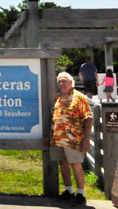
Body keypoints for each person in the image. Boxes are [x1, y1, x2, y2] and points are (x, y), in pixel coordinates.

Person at [50, 72, 93, 205]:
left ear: (71, 83)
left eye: (64, 81)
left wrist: (86, 140)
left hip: (73, 140)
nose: (62, 84)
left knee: (76, 165)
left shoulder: (79, 98)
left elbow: (88, 118)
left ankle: (81, 193)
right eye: (59, 81)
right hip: (58, 139)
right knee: (63, 164)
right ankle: (69, 191)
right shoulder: (58, 98)